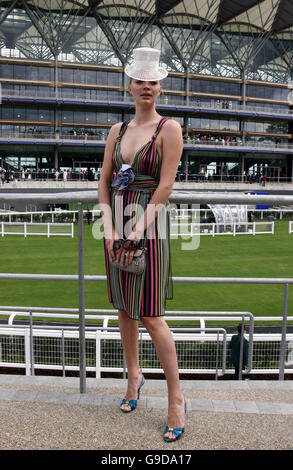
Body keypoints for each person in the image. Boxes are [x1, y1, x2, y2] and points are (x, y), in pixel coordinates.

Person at [98, 47, 186, 443]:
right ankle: (133, 378)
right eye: (139, 81)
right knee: (124, 308)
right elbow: (103, 182)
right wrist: (110, 229)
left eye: (153, 81)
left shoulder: (169, 129)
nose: (146, 86)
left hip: (148, 224)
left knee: (151, 315)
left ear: (159, 88)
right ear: (129, 86)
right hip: (116, 224)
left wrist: (137, 230)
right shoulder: (116, 131)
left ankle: (176, 400)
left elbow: (165, 186)